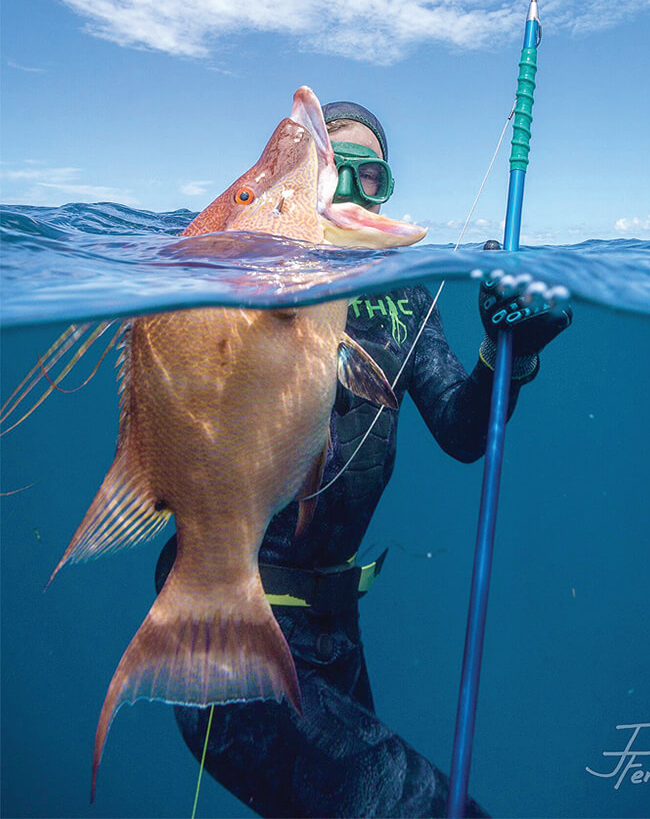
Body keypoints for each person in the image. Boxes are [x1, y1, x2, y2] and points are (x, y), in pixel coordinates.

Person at [155, 101, 570, 818]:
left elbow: (461, 430)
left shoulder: (405, 295)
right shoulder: (244, 276)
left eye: (368, 174)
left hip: (336, 639)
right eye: (329, 171)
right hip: (229, 630)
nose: (347, 189)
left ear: (384, 189)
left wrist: (509, 355)